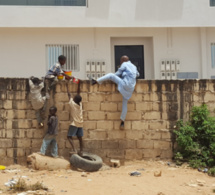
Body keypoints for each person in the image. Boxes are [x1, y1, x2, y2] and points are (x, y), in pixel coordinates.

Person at [91, 55, 139, 129]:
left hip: (124, 84)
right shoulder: (134, 66)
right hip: (130, 88)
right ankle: (122, 121)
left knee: (110, 75)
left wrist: (115, 77)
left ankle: (96, 81)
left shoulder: (124, 64)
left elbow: (117, 74)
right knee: (125, 102)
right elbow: (137, 74)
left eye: (120, 61)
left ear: (122, 60)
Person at [67, 90, 84, 156]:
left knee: (69, 136)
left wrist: (67, 88)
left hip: (75, 123)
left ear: (74, 100)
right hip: (81, 123)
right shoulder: (80, 104)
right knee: (80, 137)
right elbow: (78, 95)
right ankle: (81, 150)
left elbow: (69, 95)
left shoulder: (73, 104)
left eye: (74, 98)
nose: (73, 98)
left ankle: (74, 149)